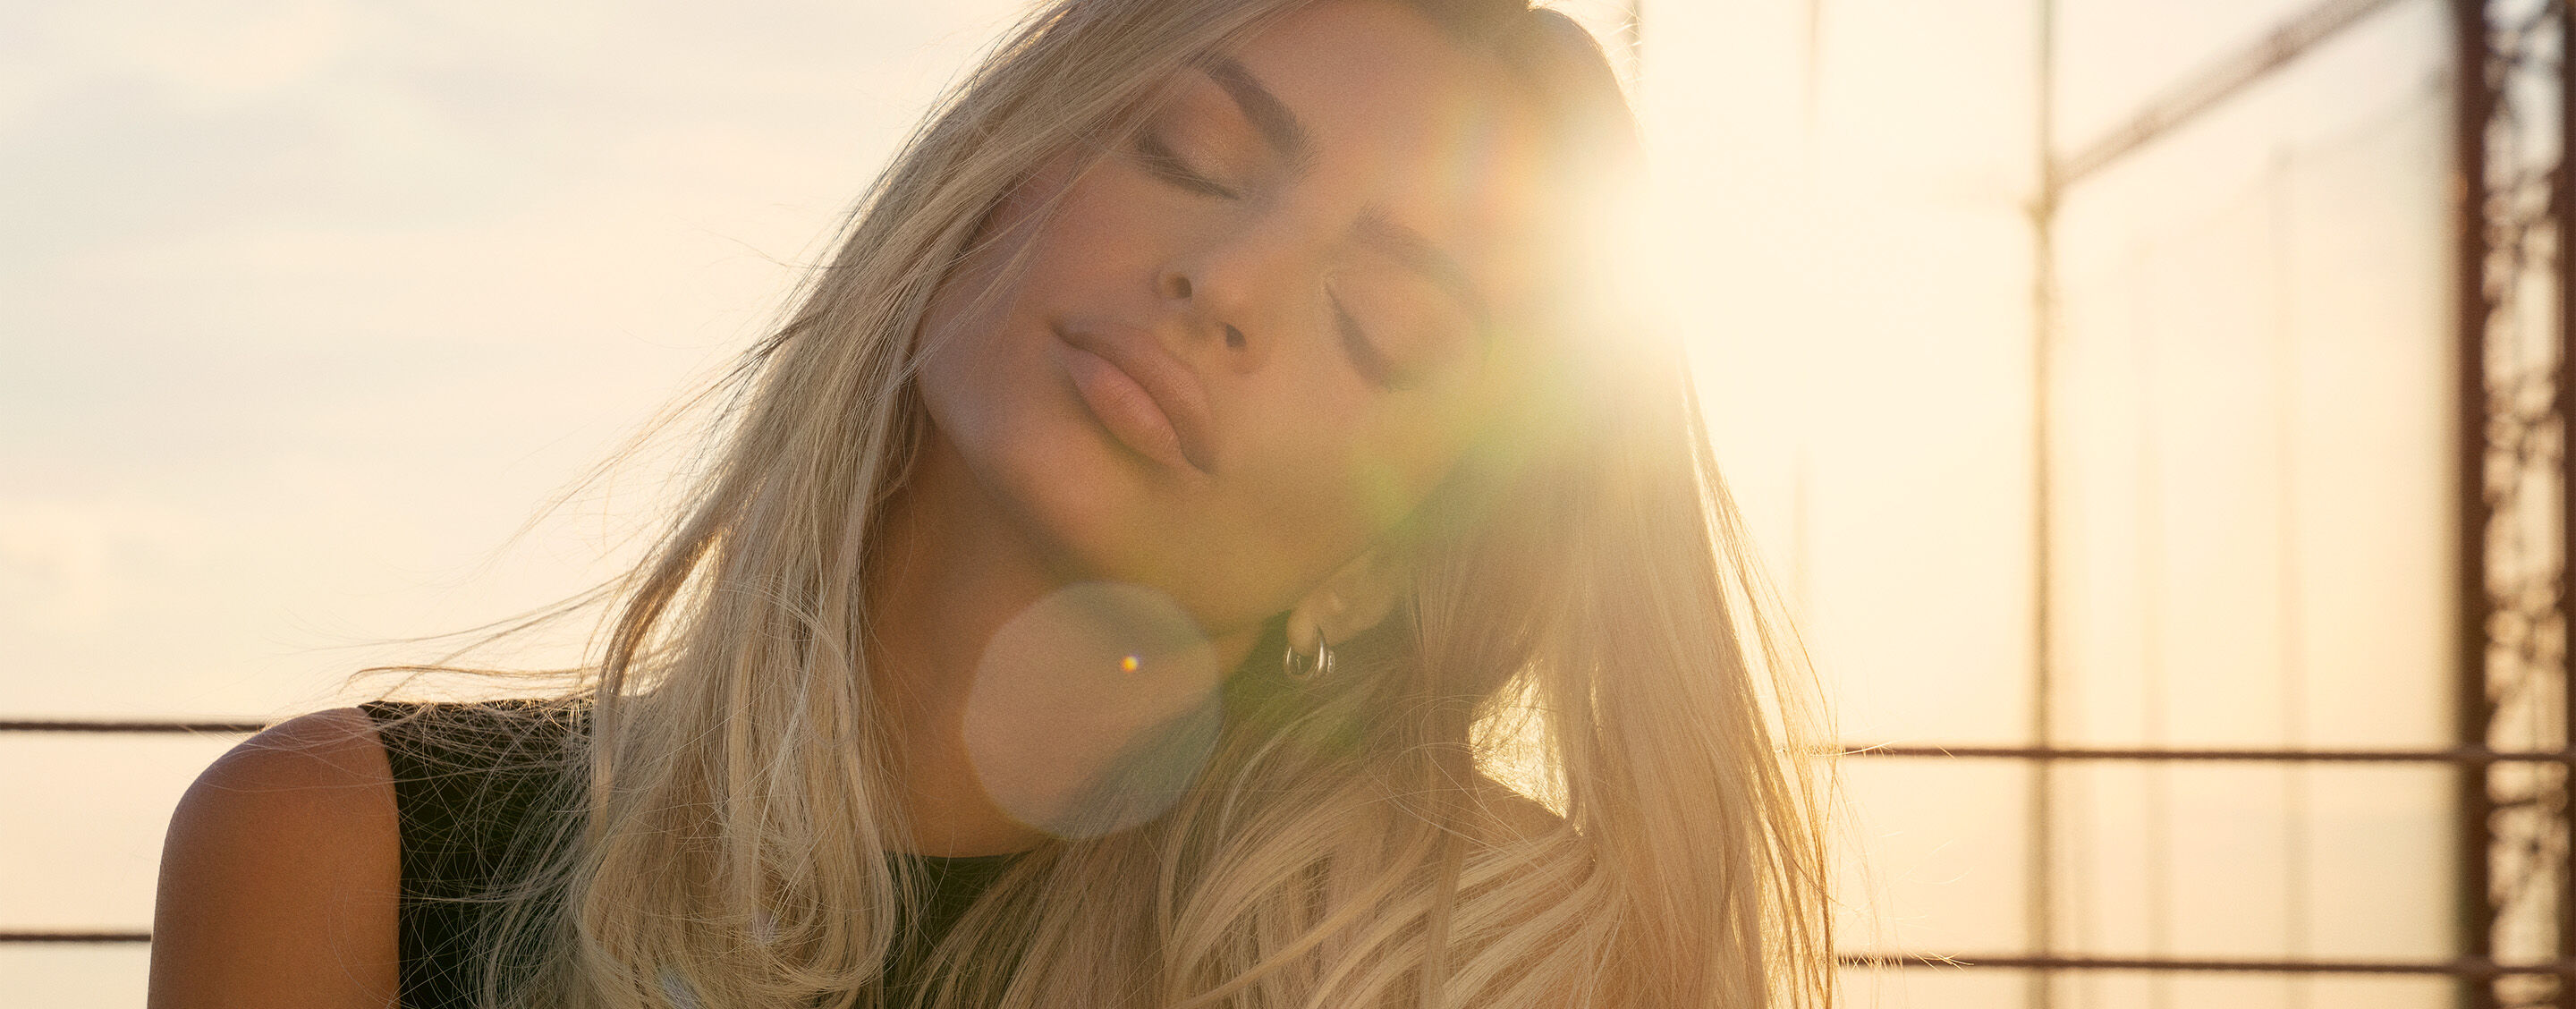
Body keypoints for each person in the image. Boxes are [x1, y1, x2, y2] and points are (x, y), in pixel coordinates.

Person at [147, 0, 1835, 1005]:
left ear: (1391, 563)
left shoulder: (1497, 966)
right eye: (1186, 154)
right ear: (988, 180)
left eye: (1384, 321)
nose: (1228, 282)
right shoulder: (340, 853)